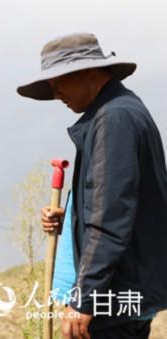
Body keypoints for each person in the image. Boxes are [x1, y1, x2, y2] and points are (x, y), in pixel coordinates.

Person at [17, 32, 167, 338]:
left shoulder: (113, 119)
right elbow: (118, 200)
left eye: (59, 79)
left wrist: (85, 298)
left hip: (113, 296)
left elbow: (111, 216)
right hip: (125, 288)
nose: (55, 91)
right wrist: (74, 219)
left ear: (89, 72)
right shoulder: (121, 110)